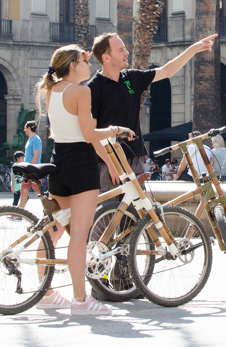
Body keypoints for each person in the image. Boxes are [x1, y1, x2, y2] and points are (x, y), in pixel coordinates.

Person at [36, 44, 135, 315]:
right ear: (72, 65)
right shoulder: (82, 91)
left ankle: (45, 292)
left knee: (54, 231)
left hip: (60, 161)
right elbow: (89, 135)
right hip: (81, 165)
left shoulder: (50, 91)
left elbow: (65, 131)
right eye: (84, 61)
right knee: (79, 235)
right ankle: (80, 300)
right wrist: (117, 129)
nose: (88, 65)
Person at [87, 32, 217, 191]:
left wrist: (193, 49)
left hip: (135, 157)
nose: (127, 52)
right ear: (106, 57)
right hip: (108, 161)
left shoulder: (130, 78)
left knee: (138, 212)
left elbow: (166, 71)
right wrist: (110, 164)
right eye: (121, 50)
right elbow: (91, 134)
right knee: (109, 212)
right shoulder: (93, 88)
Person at [18, 121, 42, 209]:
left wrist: (30, 168)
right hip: (27, 171)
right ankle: (19, 213)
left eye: (25, 128)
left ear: (29, 128)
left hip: (33, 170)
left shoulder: (36, 139)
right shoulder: (30, 140)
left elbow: (36, 155)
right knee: (23, 190)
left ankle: (49, 213)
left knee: (39, 192)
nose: (24, 130)